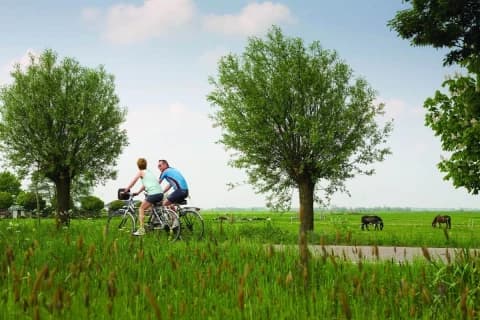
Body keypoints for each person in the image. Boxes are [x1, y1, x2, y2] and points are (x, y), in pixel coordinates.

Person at [124, 158, 163, 236]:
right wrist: (138, 192)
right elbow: (145, 185)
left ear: (138, 165)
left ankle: (141, 230)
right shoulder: (149, 172)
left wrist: (126, 189)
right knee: (151, 208)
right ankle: (153, 224)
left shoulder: (141, 172)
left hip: (153, 194)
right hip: (160, 193)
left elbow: (133, 182)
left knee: (141, 208)